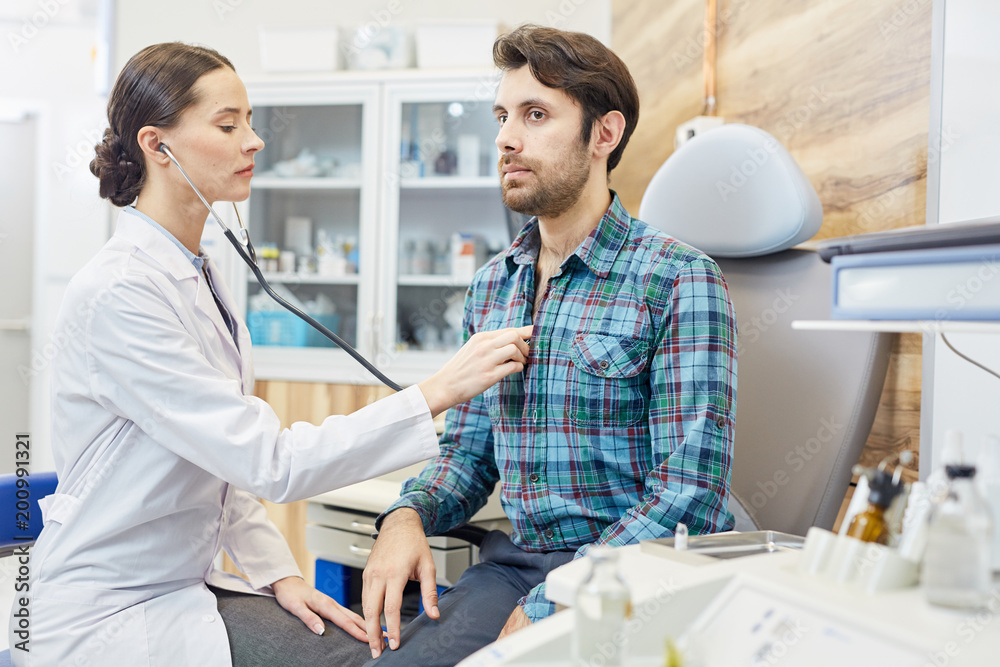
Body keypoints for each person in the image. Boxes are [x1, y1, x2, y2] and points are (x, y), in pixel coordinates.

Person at [10, 42, 532, 667]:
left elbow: (220, 471)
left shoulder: (198, 271)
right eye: (228, 125)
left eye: (250, 123)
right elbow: (269, 462)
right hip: (110, 611)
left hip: (178, 589)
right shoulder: (121, 293)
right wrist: (440, 389)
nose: (254, 141)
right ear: (157, 146)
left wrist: (279, 576)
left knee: (365, 643)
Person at [361, 25, 738, 666]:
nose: (507, 138)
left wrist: (552, 604)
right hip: (515, 565)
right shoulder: (492, 288)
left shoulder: (679, 279)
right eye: (503, 116)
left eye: (536, 115)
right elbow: (469, 456)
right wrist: (406, 516)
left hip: (638, 575)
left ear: (604, 134)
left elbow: (688, 496)